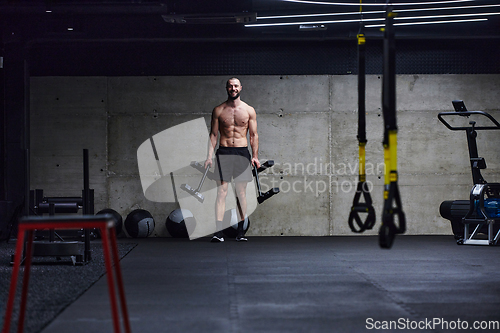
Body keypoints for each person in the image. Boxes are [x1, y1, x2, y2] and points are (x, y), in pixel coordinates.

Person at [204, 78, 260, 242]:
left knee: (240, 193)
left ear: (240, 88)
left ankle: (240, 232)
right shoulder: (218, 110)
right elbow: (213, 135)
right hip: (224, 152)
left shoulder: (249, 110)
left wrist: (255, 156)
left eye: (236, 86)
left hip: (242, 153)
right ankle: (218, 232)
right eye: (230, 86)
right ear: (227, 88)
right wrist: (209, 156)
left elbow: (253, 135)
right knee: (221, 192)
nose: (233, 88)